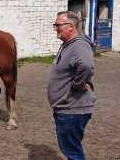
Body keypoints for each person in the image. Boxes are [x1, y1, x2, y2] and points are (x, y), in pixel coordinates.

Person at [48, 11, 95, 160]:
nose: (55, 28)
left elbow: (87, 66)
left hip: (72, 109)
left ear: (70, 26)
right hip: (67, 109)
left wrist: (77, 84)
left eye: (57, 25)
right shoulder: (68, 45)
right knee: (71, 149)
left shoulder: (79, 45)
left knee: (73, 152)